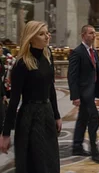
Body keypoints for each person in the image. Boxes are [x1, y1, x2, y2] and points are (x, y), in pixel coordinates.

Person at [0, 21, 62, 173]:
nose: (47, 36)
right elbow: (14, 100)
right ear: (31, 38)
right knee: (35, 162)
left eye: (47, 33)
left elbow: (51, 88)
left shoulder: (48, 57)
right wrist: (6, 133)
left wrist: (57, 115)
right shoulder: (22, 64)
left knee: (50, 160)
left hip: (47, 113)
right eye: (42, 34)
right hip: (30, 116)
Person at [68, 25, 99, 164]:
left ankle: (77, 146)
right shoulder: (77, 52)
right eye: (91, 33)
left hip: (92, 91)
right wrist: (75, 96)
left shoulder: (93, 51)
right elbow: (72, 76)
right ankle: (95, 152)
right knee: (94, 120)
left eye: (94, 33)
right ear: (83, 35)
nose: (94, 36)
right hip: (83, 93)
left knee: (82, 119)